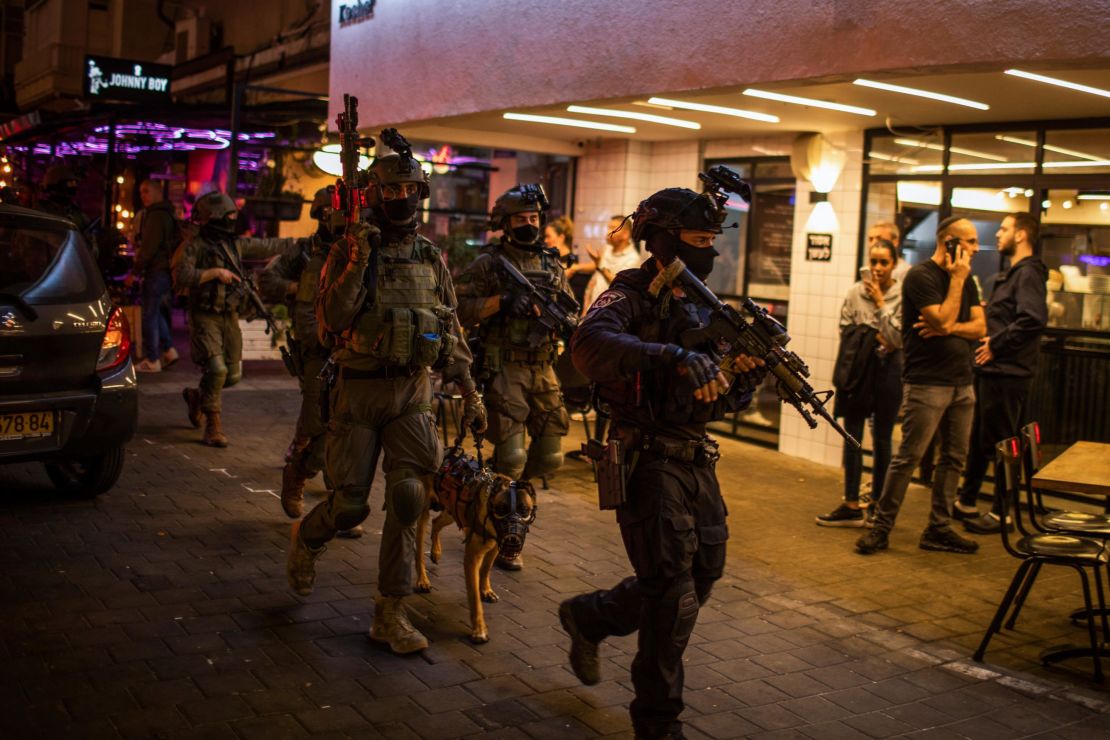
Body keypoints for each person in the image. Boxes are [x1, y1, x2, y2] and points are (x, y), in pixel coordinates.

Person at [560, 187, 765, 740]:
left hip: (696, 458)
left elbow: (711, 401)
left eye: (711, 242)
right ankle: (657, 724)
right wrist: (672, 357)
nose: (710, 255)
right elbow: (588, 348)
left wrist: (742, 376)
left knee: (703, 573)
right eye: (699, 242)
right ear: (665, 242)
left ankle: (593, 616)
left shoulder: (698, 305)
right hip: (645, 459)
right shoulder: (628, 294)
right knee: (671, 596)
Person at [286, 147, 487, 655]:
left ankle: (390, 614)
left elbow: (450, 325)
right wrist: (357, 257)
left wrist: (470, 391)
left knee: (409, 498)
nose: (400, 199)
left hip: (413, 393)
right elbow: (331, 318)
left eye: (408, 190)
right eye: (390, 190)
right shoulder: (349, 250)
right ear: (374, 196)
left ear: (420, 195)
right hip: (357, 391)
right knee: (350, 506)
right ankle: (308, 538)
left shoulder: (428, 256)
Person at [454, 184, 576, 569]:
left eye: (534, 218)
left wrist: (568, 320)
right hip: (504, 365)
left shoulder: (553, 263)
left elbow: (572, 307)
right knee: (511, 457)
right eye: (521, 219)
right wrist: (502, 303)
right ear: (504, 224)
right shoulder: (489, 264)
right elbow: (457, 306)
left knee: (551, 457)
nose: (529, 224)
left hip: (543, 366)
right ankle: (499, 533)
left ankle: (500, 501)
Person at [856, 216, 986, 555]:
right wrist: (956, 285)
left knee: (954, 458)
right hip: (927, 382)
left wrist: (950, 327)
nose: (974, 248)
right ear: (949, 243)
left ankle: (939, 529)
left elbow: (977, 328)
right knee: (908, 457)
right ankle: (880, 527)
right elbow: (939, 318)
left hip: (962, 382)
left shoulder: (968, 279)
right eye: (969, 242)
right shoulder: (922, 277)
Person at [172, 192, 302, 447]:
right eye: (229, 216)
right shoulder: (193, 245)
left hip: (228, 315)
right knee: (216, 369)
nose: (233, 220)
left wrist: (301, 243)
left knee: (231, 375)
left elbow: (267, 246)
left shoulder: (233, 244)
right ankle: (213, 425)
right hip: (204, 314)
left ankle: (198, 397)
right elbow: (181, 275)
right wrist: (213, 273)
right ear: (215, 217)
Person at [956, 212, 1047, 534]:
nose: (998, 234)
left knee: (1003, 443)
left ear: (1021, 235)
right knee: (983, 440)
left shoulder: (1028, 274)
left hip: (1009, 374)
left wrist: (996, 343)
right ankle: (966, 500)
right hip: (994, 371)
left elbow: (1032, 318)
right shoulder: (1013, 274)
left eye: (1004, 229)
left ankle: (1003, 513)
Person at [259, 187, 341, 520]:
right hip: (316, 353)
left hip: (350, 350)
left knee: (346, 428)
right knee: (316, 424)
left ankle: (342, 499)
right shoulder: (304, 252)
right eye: (331, 212)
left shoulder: (354, 251)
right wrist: (298, 288)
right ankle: (298, 473)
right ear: (321, 214)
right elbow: (268, 280)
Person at [817, 239, 903, 527]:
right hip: (858, 373)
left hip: (889, 374)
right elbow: (846, 329)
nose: (877, 268)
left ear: (894, 264)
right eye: (873, 261)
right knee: (851, 435)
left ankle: (877, 503)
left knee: (882, 439)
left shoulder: (901, 295)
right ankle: (851, 502)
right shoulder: (854, 293)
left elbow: (897, 339)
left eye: (884, 262)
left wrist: (879, 304)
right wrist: (873, 335)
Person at [132, 180, 180, 373]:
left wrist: (134, 272)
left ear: (157, 193)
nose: (143, 195)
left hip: (156, 271)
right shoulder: (167, 214)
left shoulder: (155, 216)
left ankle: (152, 360)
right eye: (141, 192)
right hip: (165, 271)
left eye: (146, 191)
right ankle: (169, 350)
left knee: (149, 314)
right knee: (157, 311)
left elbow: (148, 249)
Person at [581, 215, 641, 313]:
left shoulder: (633, 259)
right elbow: (596, 278)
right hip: (592, 309)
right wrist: (585, 307)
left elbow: (619, 284)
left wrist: (599, 265)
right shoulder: (607, 249)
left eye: (613, 228)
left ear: (625, 234)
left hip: (610, 314)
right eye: (608, 228)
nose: (608, 232)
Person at [38, 164, 93, 251]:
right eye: (69, 183)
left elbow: (91, 249)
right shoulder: (41, 212)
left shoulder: (78, 215)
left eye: (75, 183)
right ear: (55, 185)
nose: (73, 186)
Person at [546, 215, 590, 306]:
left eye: (548, 236)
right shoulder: (549, 258)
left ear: (561, 238)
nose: (545, 240)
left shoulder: (571, 262)